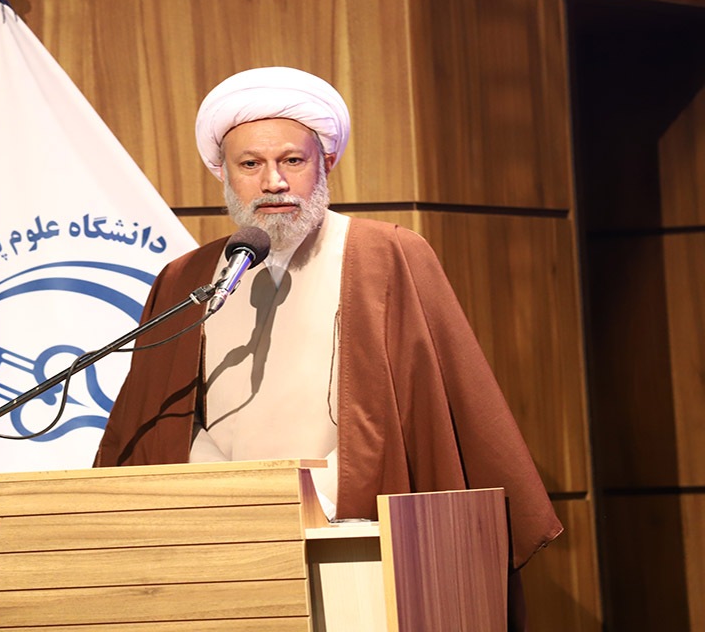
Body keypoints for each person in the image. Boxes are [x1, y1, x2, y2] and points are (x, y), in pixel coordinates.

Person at [94, 67, 561, 627]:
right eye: (250, 164)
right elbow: (159, 429)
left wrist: (311, 504)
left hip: (357, 542)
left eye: (292, 160)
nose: (274, 182)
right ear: (222, 172)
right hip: (218, 547)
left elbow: (421, 418)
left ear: (326, 163)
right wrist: (230, 501)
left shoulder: (386, 256)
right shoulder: (184, 279)